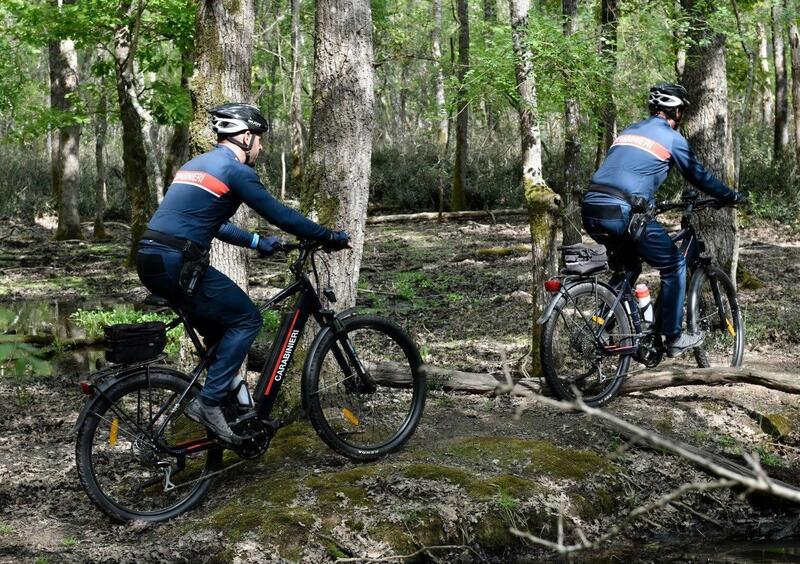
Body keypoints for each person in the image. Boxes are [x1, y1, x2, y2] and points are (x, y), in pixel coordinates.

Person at [136, 102, 349, 444]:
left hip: (150, 259)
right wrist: (327, 236)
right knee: (247, 319)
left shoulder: (196, 165)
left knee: (220, 333)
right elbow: (281, 214)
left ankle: (234, 410)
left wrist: (256, 242)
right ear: (246, 136)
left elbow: (211, 222)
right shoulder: (236, 171)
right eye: (259, 140)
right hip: (178, 262)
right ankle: (208, 403)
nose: (261, 147)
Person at [582, 83, 746, 358]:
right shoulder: (671, 138)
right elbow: (698, 176)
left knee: (629, 268)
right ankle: (672, 336)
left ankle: (605, 324)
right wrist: (731, 196)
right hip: (622, 213)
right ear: (677, 112)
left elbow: (627, 170)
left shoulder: (629, 131)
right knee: (674, 263)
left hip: (591, 208)